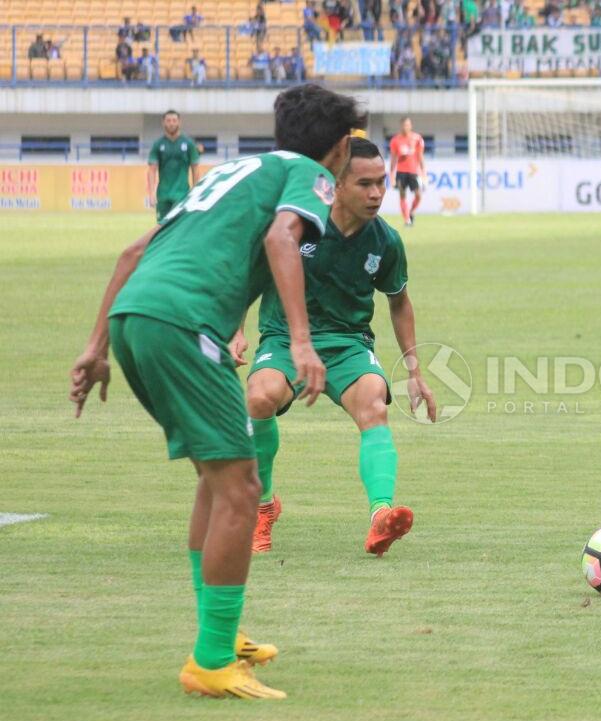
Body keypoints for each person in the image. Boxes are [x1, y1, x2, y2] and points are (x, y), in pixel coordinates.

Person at [69, 83, 366, 699]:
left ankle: (220, 637)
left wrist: (95, 348)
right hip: (184, 325)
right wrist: (303, 343)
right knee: (241, 487)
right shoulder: (310, 175)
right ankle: (210, 661)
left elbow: (132, 251)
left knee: (218, 478)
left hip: (136, 319)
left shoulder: (233, 171)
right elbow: (282, 239)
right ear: (340, 150)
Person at [237, 136, 436, 556]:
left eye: (381, 182)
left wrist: (415, 372)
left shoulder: (385, 241)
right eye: (366, 184)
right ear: (337, 185)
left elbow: (398, 302)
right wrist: (236, 329)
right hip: (285, 337)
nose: (378, 193)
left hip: (347, 343)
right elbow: (247, 275)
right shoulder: (296, 225)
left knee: (374, 405)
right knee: (259, 399)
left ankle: (381, 515)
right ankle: (263, 505)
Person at [148, 110, 201, 218]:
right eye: (168, 120)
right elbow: (152, 170)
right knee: (162, 230)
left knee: (180, 230)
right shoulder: (158, 144)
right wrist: (151, 194)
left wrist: (196, 191)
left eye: (174, 120)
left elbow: (195, 169)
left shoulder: (189, 143)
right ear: (163, 123)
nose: (171, 123)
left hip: (182, 195)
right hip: (163, 196)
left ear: (179, 122)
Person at [388, 117, 425, 226]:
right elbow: (393, 159)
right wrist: (392, 175)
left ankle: (411, 212)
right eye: (404, 125)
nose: (406, 127)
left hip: (414, 172)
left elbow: (420, 156)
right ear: (401, 126)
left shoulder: (417, 139)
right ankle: (406, 220)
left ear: (411, 125)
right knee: (402, 194)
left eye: (408, 125)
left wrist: (424, 173)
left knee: (418, 195)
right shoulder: (395, 140)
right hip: (401, 172)